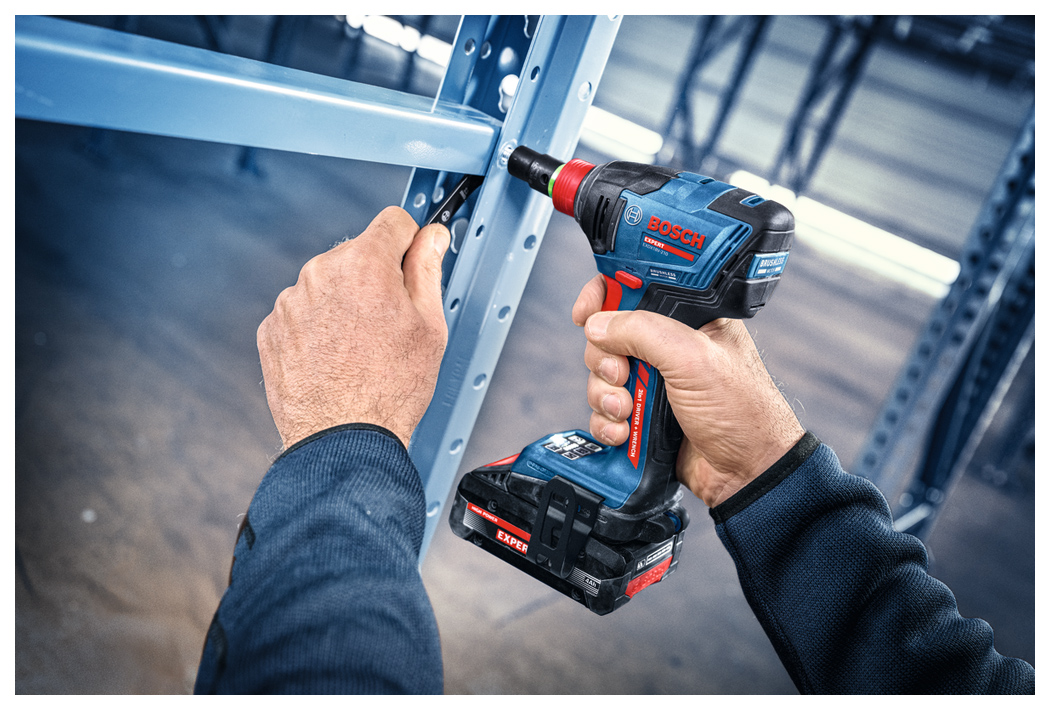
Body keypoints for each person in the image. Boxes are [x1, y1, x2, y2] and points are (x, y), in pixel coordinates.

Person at [195, 207, 1035, 694]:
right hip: (742, 489)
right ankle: (638, 488)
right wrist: (766, 473)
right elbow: (948, 681)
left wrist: (344, 438)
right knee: (628, 385)